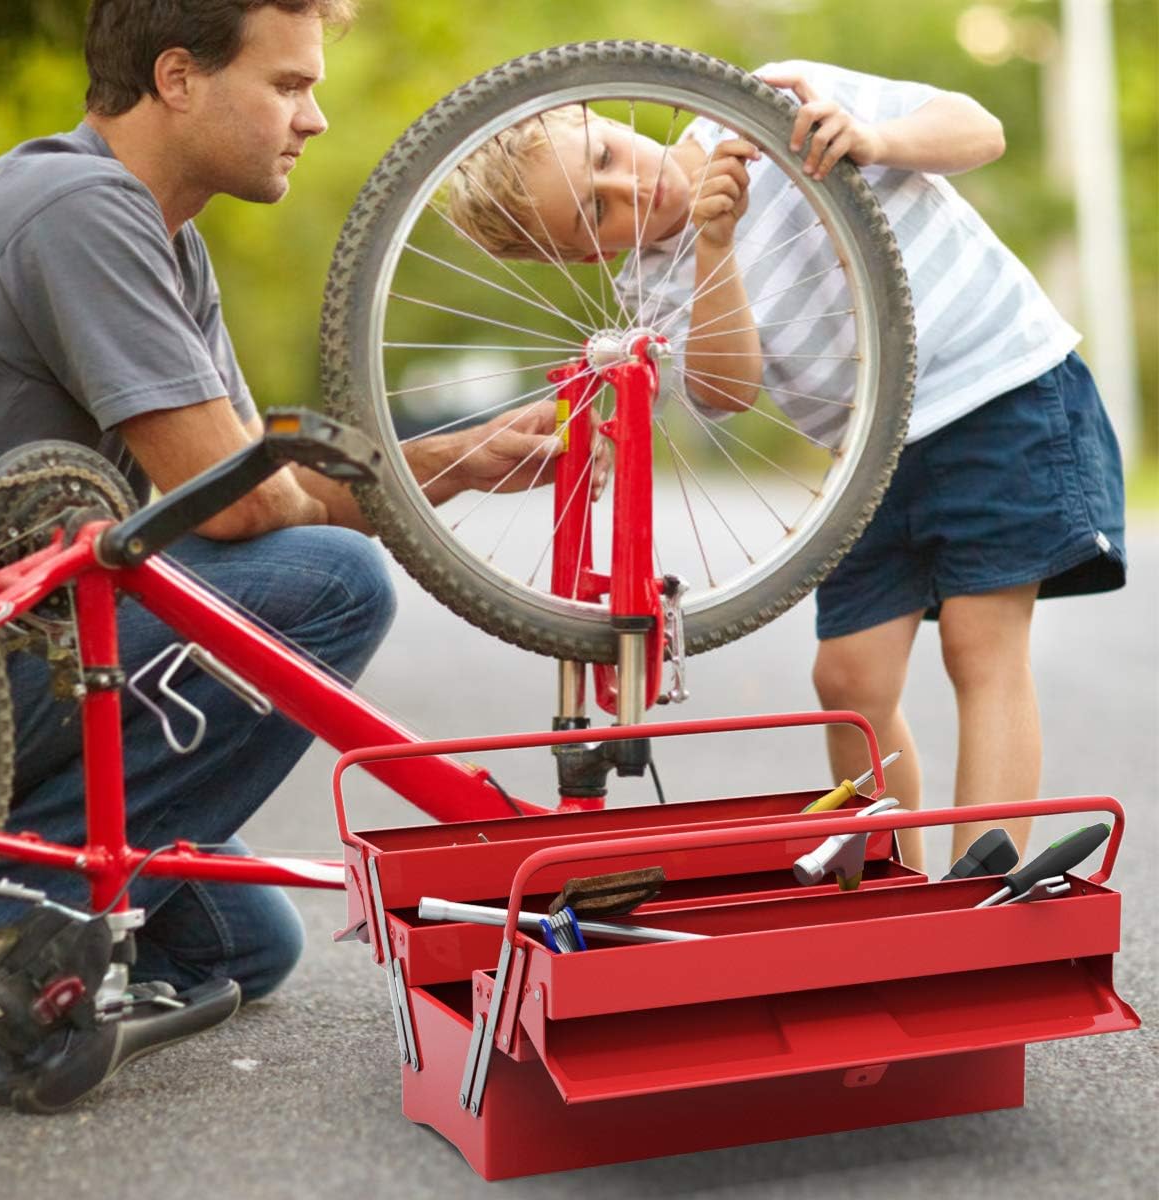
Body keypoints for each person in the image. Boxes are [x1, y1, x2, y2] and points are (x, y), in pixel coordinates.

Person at [0, 0, 592, 1018]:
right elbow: (251, 512)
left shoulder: (167, 239)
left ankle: (29, 896)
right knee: (334, 585)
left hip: (20, 658)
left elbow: (248, 489)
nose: (316, 119)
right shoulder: (83, 209)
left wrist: (453, 463)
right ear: (177, 79)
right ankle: (4, 929)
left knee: (245, 943)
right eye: (290, 85)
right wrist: (403, 464)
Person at [446, 59, 1126, 870]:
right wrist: (714, 246)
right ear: (586, 255)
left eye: (605, 158)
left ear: (606, 117)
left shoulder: (771, 101)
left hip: (995, 387)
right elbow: (728, 390)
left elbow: (980, 129)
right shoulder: (652, 286)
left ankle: (987, 886)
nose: (629, 188)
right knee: (849, 680)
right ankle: (894, 879)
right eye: (597, 211)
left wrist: (877, 138)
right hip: (870, 455)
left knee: (981, 645)